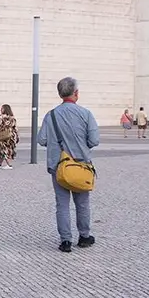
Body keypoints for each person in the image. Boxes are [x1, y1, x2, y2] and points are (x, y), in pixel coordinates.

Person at [37, 77, 100, 253]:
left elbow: (41, 139)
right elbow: (94, 140)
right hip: (81, 165)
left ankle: (66, 241)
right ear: (76, 93)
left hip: (59, 166)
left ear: (60, 93)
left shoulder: (51, 115)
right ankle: (84, 236)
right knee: (82, 203)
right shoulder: (86, 114)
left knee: (62, 204)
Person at [0, 104, 19, 169]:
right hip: (11, 135)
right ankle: (0, 164)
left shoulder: (1, 117)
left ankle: (9, 165)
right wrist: (16, 136)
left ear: (5, 109)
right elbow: (15, 127)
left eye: (2, 108)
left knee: (3, 149)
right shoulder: (12, 117)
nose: (0, 110)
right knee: (8, 149)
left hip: (3, 135)